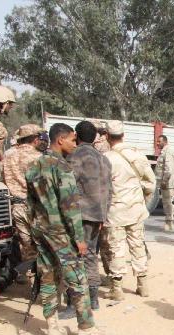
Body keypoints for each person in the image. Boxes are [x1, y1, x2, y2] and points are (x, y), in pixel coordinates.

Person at [24, 123, 115, 335]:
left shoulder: (34, 166)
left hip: (41, 229)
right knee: (78, 278)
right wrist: (79, 239)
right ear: (60, 140)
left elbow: (30, 204)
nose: (75, 144)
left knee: (47, 276)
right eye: (73, 140)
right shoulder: (62, 168)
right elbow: (70, 207)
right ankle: (86, 328)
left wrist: (35, 228)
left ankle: (52, 327)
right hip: (61, 232)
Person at [63, 120, 113, 313]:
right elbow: (110, 190)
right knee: (91, 255)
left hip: (80, 215)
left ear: (76, 135)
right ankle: (93, 300)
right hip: (97, 215)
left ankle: (74, 303)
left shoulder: (75, 156)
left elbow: (68, 187)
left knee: (73, 258)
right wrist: (103, 215)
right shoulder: (104, 159)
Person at [103, 120, 156, 300]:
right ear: (123, 135)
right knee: (137, 245)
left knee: (115, 248)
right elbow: (150, 182)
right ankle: (143, 285)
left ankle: (116, 289)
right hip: (135, 209)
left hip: (114, 211)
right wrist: (141, 197)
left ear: (107, 137)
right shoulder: (137, 155)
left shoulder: (106, 158)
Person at [0, 124, 44, 282]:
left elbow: (1, 178)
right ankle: (43, 280)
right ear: (35, 139)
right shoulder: (38, 157)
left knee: (26, 244)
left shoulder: (7, 155)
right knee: (41, 244)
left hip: (16, 206)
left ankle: (30, 278)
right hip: (35, 207)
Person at [155, 134, 174, 231]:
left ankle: (173, 221)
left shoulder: (167, 152)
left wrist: (164, 181)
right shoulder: (164, 152)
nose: (157, 143)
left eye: (159, 142)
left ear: (164, 142)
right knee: (168, 202)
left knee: (169, 203)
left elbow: (168, 169)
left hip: (168, 183)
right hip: (166, 182)